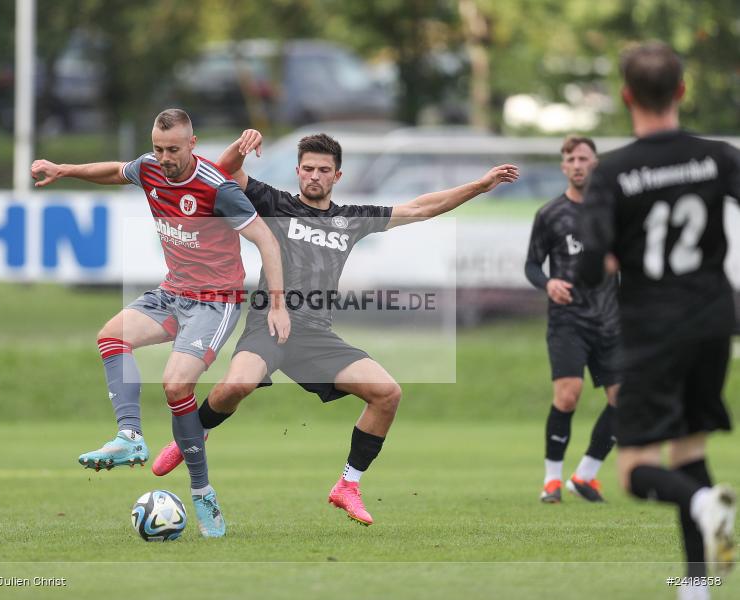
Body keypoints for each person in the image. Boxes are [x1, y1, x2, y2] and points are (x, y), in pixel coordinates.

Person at [151, 130, 518, 525]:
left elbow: (421, 207)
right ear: (297, 171)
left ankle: (348, 484)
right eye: (307, 168)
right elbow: (223, 173)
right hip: (269, 325)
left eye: (323, 170)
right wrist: (242, 146)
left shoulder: (351, 220)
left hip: (316, 337)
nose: (314, 176)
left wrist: (480, 186)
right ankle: (195, 433)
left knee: (387, 394)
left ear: (337, 176)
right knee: (235, 386)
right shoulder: (275, 203)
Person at [30, 109, 290, 538]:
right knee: (111, 337)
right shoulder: (150, 169)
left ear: (192, 143)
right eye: (158, 148)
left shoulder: (216, 187)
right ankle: (130, 436)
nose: (164, 157)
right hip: (173, 291)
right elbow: (115, 171)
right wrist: (65, 169)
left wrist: (277, 305)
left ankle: (203, 493)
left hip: (215, 300)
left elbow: (267, 240)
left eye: (173, 149)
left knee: (175, 385)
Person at [579, 42, 738, 593]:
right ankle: (698, 587)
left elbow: (589, 263)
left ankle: (701, 503)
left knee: (635, 472)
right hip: (716, 322)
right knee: (689, 451)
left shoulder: (614, 172)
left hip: (653, 330)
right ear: (682, 91)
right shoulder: (717, 155)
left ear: (626, 96)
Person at [525, 135, 620, 504]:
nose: (577, 164)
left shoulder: (614, 211)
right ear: (563, 167)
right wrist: (548, 283)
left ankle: (586, 475)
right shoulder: (550, 214)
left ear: (595, 163)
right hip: (568, 320)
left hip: (611, 321)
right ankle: (551, 479)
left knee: (623, 399)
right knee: (568, 396)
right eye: (570, 158)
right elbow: (531, 264)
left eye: (583, 157)